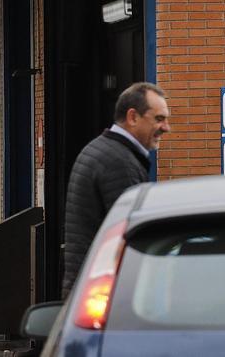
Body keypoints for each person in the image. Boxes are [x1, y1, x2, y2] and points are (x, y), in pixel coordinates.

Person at [61, 82, 170, 297]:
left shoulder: (100, 150)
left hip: (88, 288)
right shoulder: (119, 163)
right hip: (105, 294)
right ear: (133, 117)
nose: (166, 128)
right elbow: (131, 236)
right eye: (159, 119)